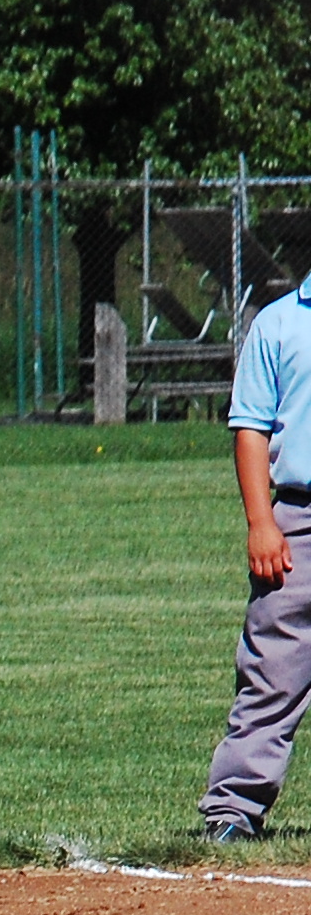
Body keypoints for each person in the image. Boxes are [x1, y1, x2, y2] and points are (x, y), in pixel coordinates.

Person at [201, 270, 311, 841]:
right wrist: (261, 522)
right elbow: (250, 428)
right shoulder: (278, 323)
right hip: (298, 518)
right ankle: (234, 808)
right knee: (272, 670)